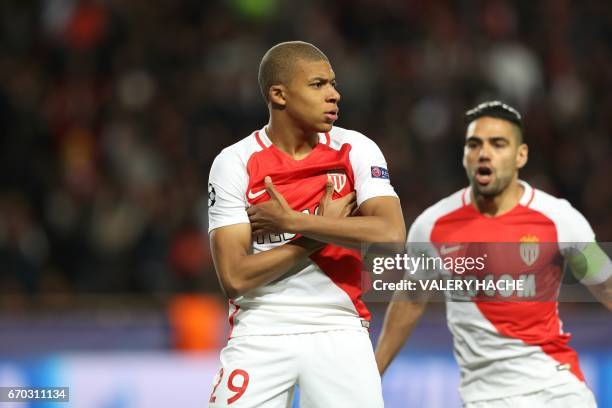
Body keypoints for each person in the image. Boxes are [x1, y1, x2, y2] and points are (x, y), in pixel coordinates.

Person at [374, 101, 612, 407]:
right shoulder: (431, 226)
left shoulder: (560, 219)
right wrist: (373, 372)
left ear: (520, 155)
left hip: (559, 390)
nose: (484, 153)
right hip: (485, 398)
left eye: (498, 144)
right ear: (465, 156)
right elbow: (410, 298)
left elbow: (606, 284)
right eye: (474, 144)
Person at [207, 41, 405, 408]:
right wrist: (317, 232)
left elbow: (392, 235)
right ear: (279, 95)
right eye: (318, 85)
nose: (334, 95)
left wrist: (293, 221)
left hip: (341, 328)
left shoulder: (356, 149)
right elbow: (234, 278)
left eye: (333, 83)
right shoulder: (235, 162)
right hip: (261, 328)